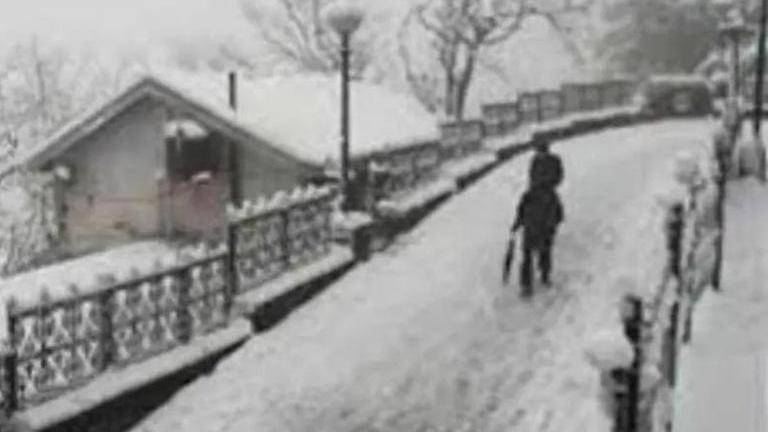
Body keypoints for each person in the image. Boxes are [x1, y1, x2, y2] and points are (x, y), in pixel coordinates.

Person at [511, 185, 564, 297]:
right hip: (545, 231)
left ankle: (526, 286)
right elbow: (559, 215)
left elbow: (520, 211)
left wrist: (516, 225)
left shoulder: (529, 194)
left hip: (530, 230)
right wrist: (552, 226)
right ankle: (544, 277)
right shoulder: (552, 195)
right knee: (544, 254)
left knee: (527, 257)